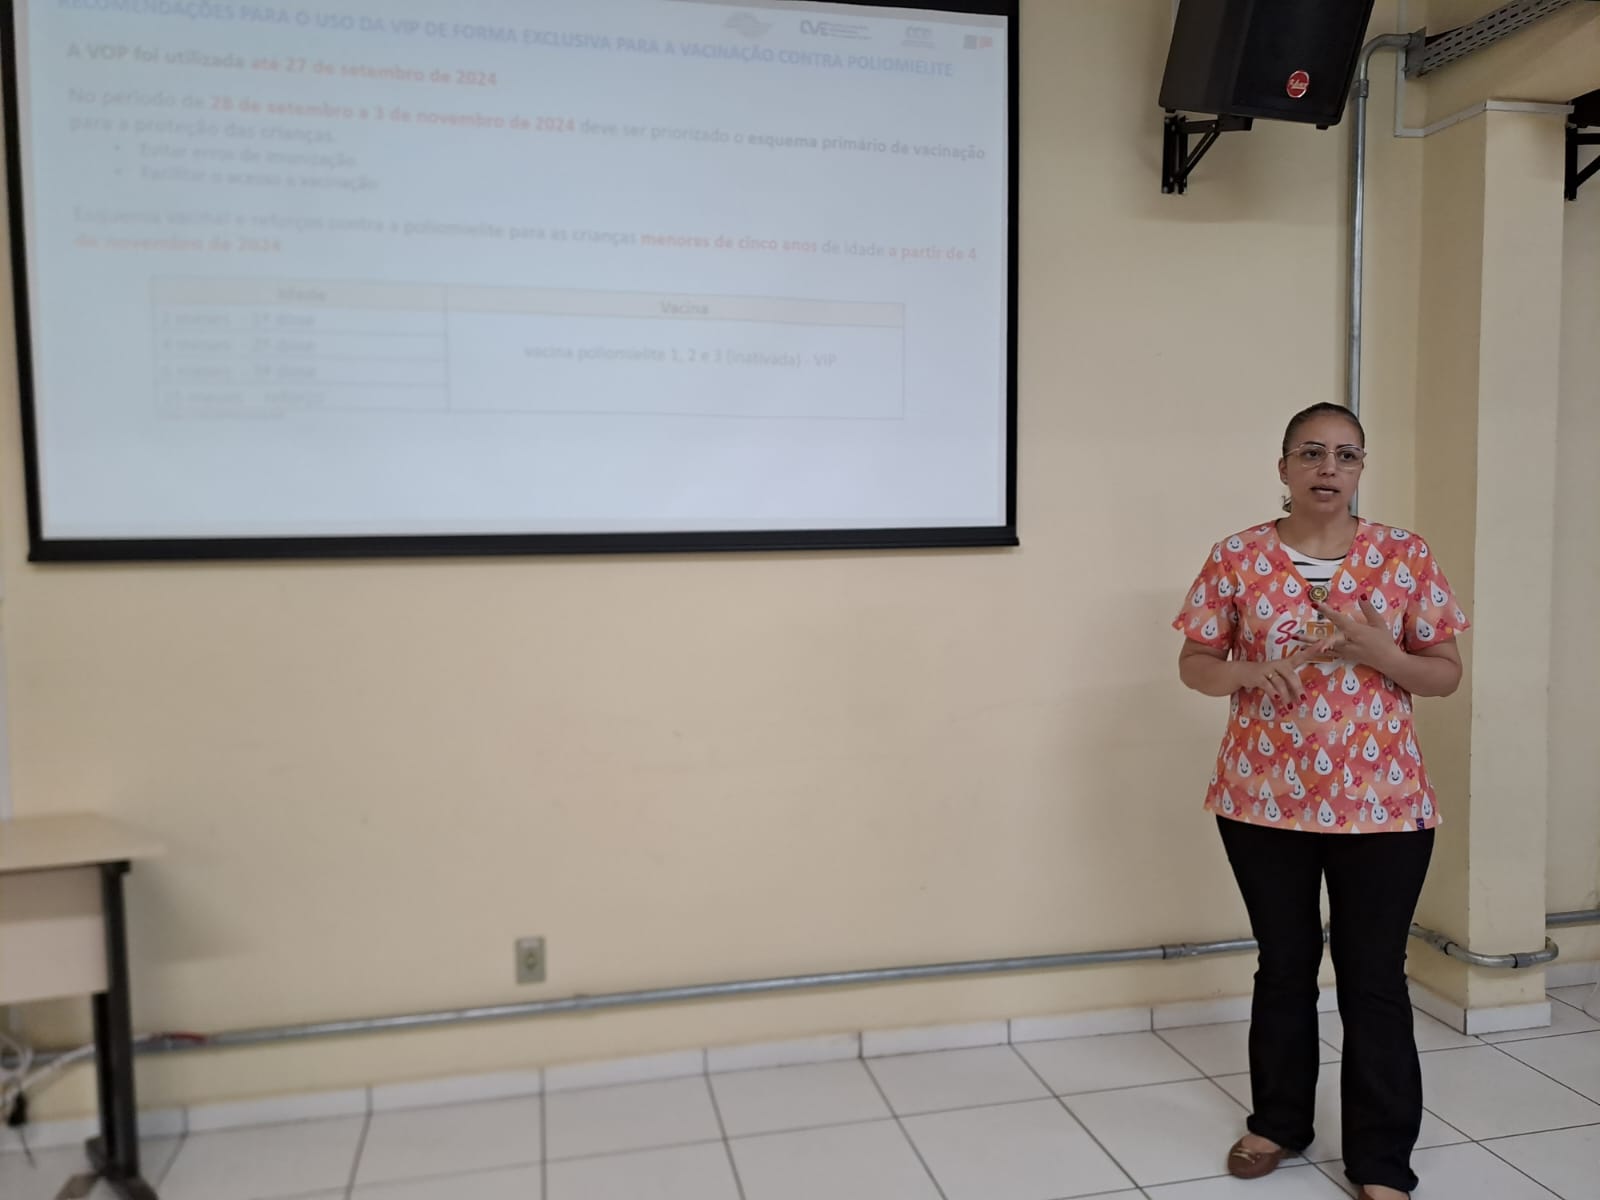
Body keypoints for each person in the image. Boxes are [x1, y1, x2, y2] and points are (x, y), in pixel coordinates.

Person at [1173, 402, 1468, 1200]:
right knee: (1285, 966)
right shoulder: (1236, 557)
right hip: (1262, 799)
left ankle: (1380, 1162)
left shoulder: (1404, 556)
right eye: (1311, 452)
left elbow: (1443, 672)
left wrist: (1383, 654)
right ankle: (1278, 1122)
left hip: (1382, 807)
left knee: (1373, 977)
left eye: (1344, 454)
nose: (1327, 467)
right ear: (1283, 468)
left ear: (1362, 468)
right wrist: (1242, 672)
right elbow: (1196, 661)